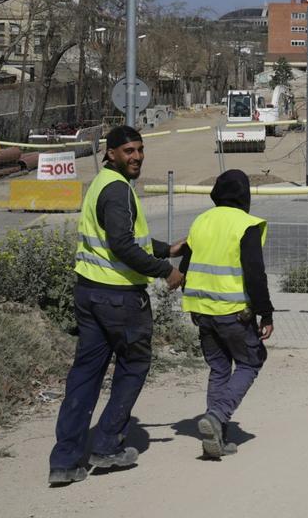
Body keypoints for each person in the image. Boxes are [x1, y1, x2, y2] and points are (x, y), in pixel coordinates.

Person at [48, 125, 185, 485]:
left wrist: (165, 248)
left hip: (89, 293)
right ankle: (106, 446)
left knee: (85, 374)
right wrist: (165, 271)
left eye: (140, 150)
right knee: (135, 363)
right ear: (110, 154)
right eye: (128, 151)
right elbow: (123, 246)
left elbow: (122, 239)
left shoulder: (100, 185)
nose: (136, 156)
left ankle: (65, 461)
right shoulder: (118, 190)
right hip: (120, 297)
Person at [180, 169, 274, 459]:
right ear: (245, 195)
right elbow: (255, 274)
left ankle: (216, 435)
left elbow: (186, 266)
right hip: (233, 312)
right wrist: (265, 314)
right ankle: (218, 416)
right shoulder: (246, 224)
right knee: (251, 360)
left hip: (201, 312)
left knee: (219, 368)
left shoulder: (201, 221)